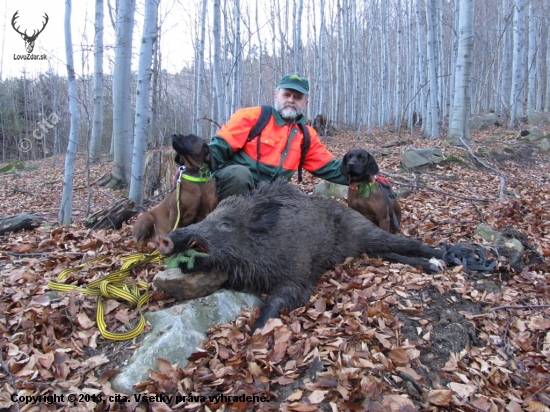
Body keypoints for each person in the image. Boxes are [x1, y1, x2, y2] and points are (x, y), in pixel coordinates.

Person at [209, 72, 348, 201]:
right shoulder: (252, 116)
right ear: (276, 95)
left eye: (297, 97)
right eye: (286, 95)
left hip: (266, 197)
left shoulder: (306, 134)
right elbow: (217, 148)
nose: (291, 100)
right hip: (230, 190)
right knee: (239, 175)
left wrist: (363, 175)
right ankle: (224, 223)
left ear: (305, 102)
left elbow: (330, 167)